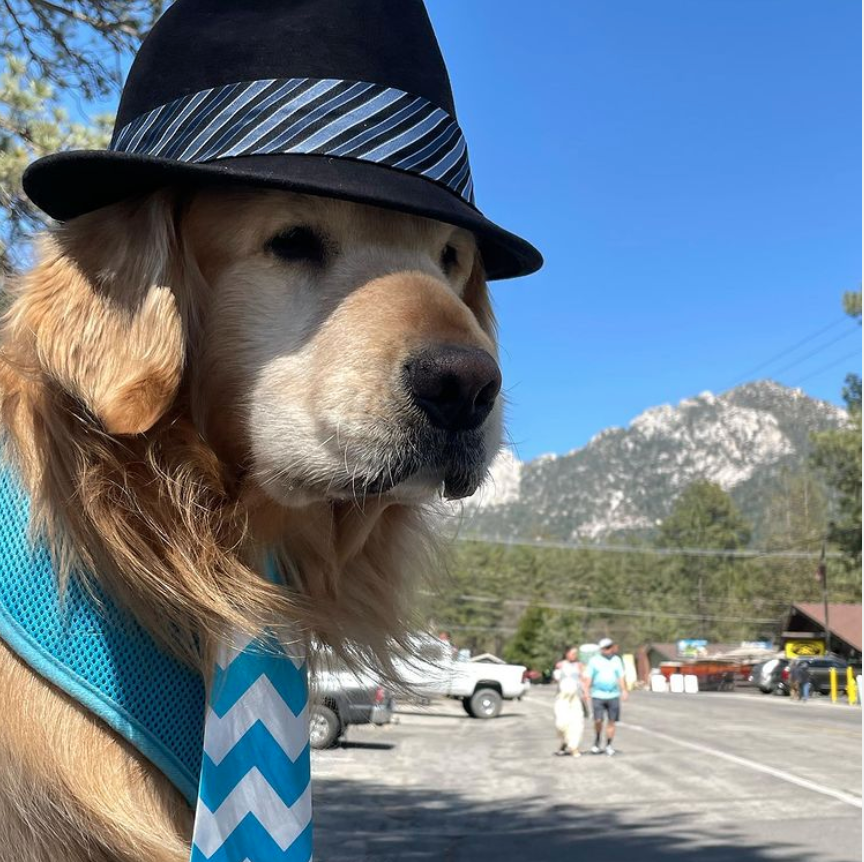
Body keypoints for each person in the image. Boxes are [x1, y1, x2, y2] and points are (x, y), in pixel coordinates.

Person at [585, 637, 627, 756]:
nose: (609, 650)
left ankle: (609, 744)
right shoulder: (594, 661)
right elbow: (589, 676)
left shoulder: (616, 660)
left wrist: (624, 690)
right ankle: (597, 740)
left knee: (612, 721)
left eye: (610, 647)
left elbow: (620, 676)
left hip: (613, 695)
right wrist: (586, 690)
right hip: (598, 695)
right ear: (601, 649)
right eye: (606, 648)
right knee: (598, 720)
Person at [552, 647, 588, 756]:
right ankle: (564, 742)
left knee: (576, 723)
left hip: (576, 698)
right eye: (572, 653)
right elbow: (556, 679)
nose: (574, 655)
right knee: (561, 723)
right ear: (566, 653)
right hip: (563, 698)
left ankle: (574, 747)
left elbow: (583, 680)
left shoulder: (579, 666)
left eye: (576, 653)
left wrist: (586, 693)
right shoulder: (560, 665)